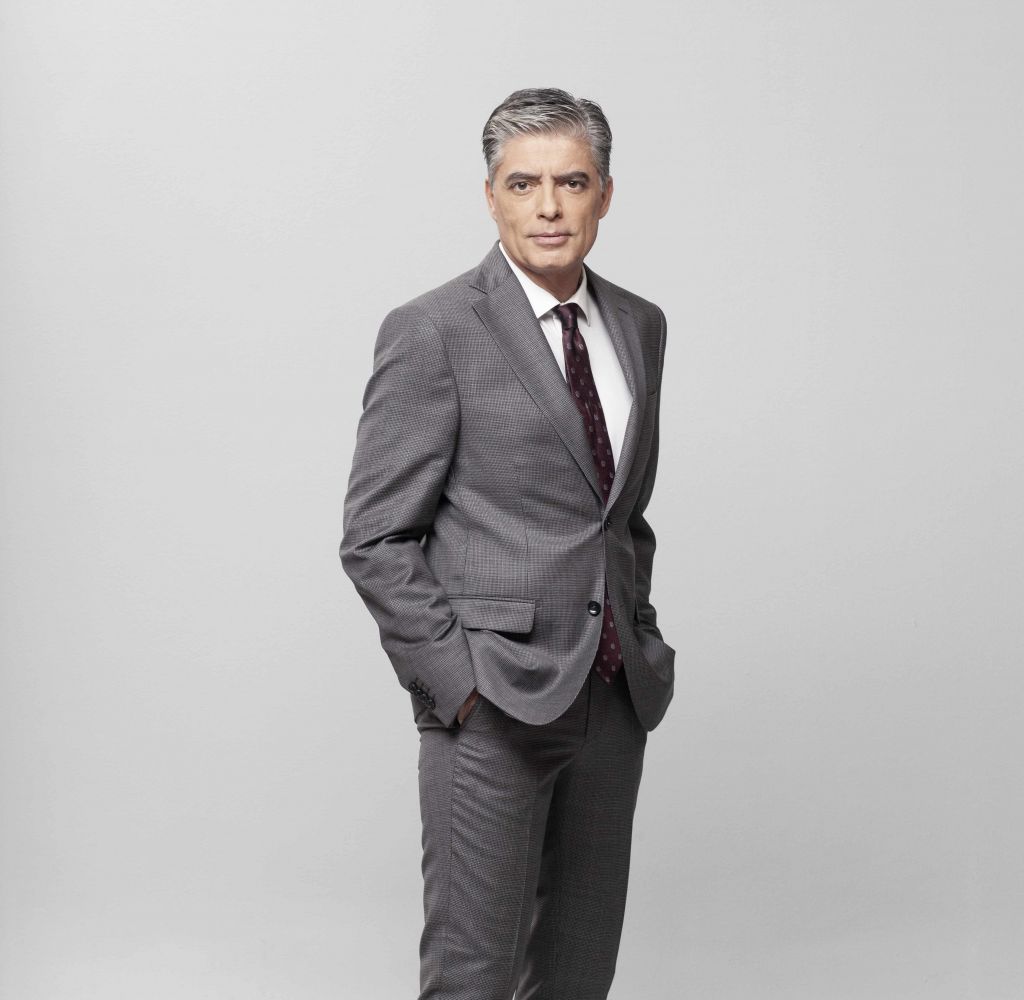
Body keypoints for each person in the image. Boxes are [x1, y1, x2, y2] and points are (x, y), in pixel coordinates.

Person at [339, 87, 675, 1000]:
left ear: (606, 194)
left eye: (572, 182)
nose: (549, 207)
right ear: (491, 197)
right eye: (524, 184)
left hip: (612, 698)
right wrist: (457, 686)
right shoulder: (434, 330)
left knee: (577, 976)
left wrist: (640, 636)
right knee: (473, 979)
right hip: (491, 705)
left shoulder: (639, 325)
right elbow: (375, 535)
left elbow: (621, 515)